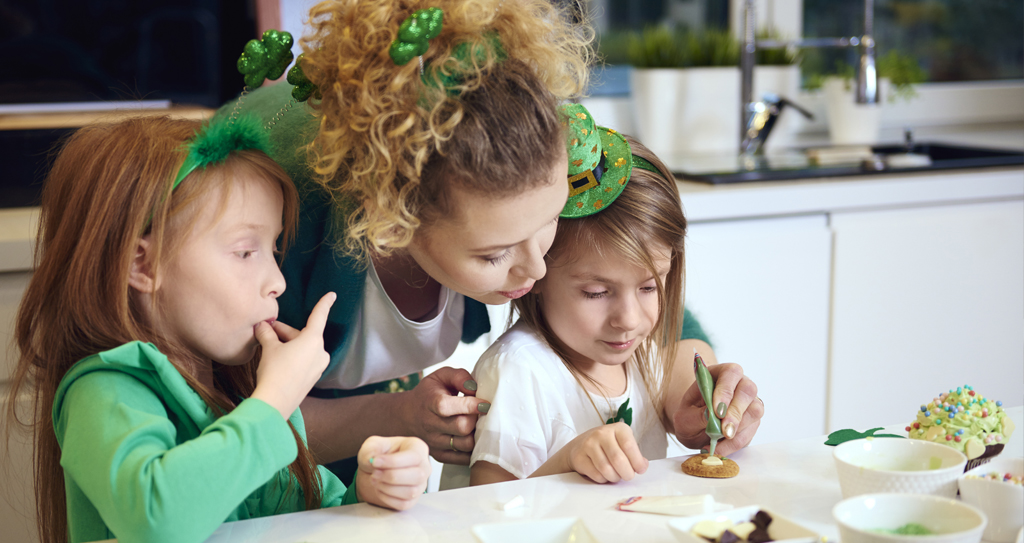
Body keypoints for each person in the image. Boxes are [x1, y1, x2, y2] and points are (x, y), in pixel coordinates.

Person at [231, 0, 756, 478]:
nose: (538, 270)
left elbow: (645, 294)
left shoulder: (523, 139)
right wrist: (394, 414)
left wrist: (696, 389)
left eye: (550, 222)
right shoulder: (276, 220)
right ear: (393, 220)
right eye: (494, 254)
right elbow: (223, 425)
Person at [5, 115, 431, 543]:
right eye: (246, 252)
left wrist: (371, 489)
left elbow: (300, 518)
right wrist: (274, 401)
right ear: (142, 265)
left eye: (274, 249)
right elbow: (158, 520)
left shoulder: (238, 395)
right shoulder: (104, 391)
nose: (277, 281)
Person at [468, 105, 764, 485]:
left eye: (649, 286)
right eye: (596, 292)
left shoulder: (642, 356)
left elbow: (681, 401)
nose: (629, 318)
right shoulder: (518, 372)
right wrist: (568, 462)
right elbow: (487, 510)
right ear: (537, 268)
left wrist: (702, 415)